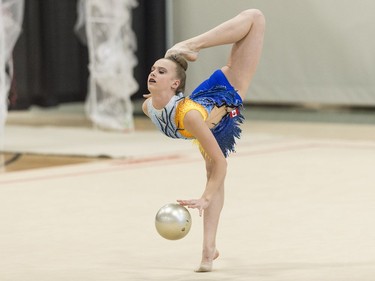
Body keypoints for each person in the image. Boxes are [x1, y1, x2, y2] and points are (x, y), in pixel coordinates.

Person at [142, 9, 265, 272]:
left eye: (161, 71)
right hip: (202, 109)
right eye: (153, 69)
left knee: (255, 17)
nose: (153, 73)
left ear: (175, 83)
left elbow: (222, 163)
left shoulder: (189, 117)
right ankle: (208, 251)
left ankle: (193, 44)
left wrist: (205, 198)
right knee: (211, 173)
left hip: (224, 96)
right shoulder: (148, 106)